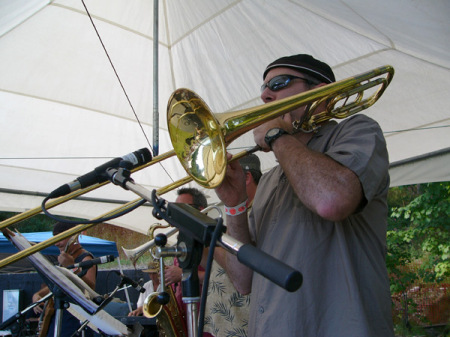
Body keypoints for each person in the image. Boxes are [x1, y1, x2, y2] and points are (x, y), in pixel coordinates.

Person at [215, 54, 394, 336]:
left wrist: (276, 135)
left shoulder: (358, 131)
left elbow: (331, 200)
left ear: (320, 93)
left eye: (279, 83)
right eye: (263, 89)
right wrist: (235, 204)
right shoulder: (271, 180)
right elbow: (243, 280)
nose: (265, 95)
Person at [203, 154, 261, 337]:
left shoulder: (258, 210)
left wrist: (210, 244)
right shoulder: (241, 213)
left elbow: (242, 261)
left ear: (246, 177)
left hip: (241, 321)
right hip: (224, 318)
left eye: (226, 177)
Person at [32, 222, 97, 337]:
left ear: (73, 237)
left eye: (60, 238)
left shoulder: (86, 258)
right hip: (59, 313)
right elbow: (57, 283)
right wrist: (38, 295)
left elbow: (90, 288)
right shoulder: (65, 258)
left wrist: (71, 267)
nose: (56, 243)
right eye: (55, 239)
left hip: (75, 317)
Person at [164, 187, 207, 325]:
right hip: (185, 319)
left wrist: (182, 274)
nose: (178, 215)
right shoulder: (182, 241)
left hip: (205, 321)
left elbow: (222, 277)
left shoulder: (211, 241)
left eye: (183, 209)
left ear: (200, 210)